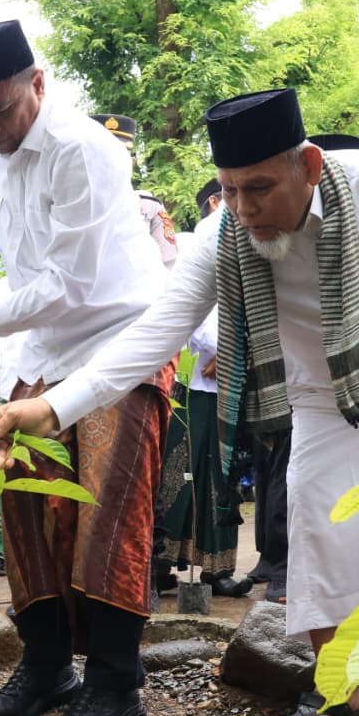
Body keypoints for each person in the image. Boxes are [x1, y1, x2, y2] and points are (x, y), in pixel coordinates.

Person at [0, 88, 359, 716]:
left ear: (307, 165)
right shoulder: (224, 237)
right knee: (320, 531)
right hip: (325, 396)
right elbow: (155, 333)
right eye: (231, 190)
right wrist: (51, 406)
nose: (246, 209)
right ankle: (341, 688)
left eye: (260, 188)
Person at [0, 19, 171, 716]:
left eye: (0, 110)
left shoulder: (84, 150)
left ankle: (114, 684)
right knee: (29, 509)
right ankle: (45, 667)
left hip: (120, 340)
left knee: (106, 508)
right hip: (41, 349)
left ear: (38, 83)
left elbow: (70, 280)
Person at [157, 231, 252, 599]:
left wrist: (233, 353)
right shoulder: (189, 268)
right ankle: (160, 563)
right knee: (178, 473)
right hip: (188, 387)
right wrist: (225, 349)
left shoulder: (240, 275)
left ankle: (219, 570)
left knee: (220, 477)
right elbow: (189, 320)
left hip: (226, 392)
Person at [92, 112, 179, 270]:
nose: (109, 164)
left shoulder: (151, 208)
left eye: (117, 157)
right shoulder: (62, 205)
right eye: (101, 156)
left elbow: (169, 269)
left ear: (131, 163)